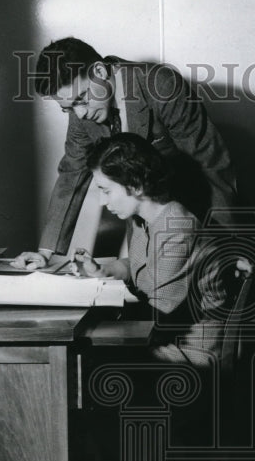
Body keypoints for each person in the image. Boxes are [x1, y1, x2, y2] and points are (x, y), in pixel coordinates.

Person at [13, 37, 237, 270]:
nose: (79, 114)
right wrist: (45, 253)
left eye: (81, 99)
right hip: (143, 238)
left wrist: (225, 245)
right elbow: (72, 172)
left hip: (197, 226)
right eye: (68, 108)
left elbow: (210, 165)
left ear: (99, 70)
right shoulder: (81, 110)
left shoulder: (160, 85)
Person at [69, 133, 230, 368]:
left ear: (135, 185)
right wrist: (102, 271)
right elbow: (144, 267)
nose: (103, 202)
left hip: (190, 352)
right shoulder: (146, 219)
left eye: (106, 190)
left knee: (79, 361)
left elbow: (157, 313)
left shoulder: (177, 228)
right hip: (161, 338)